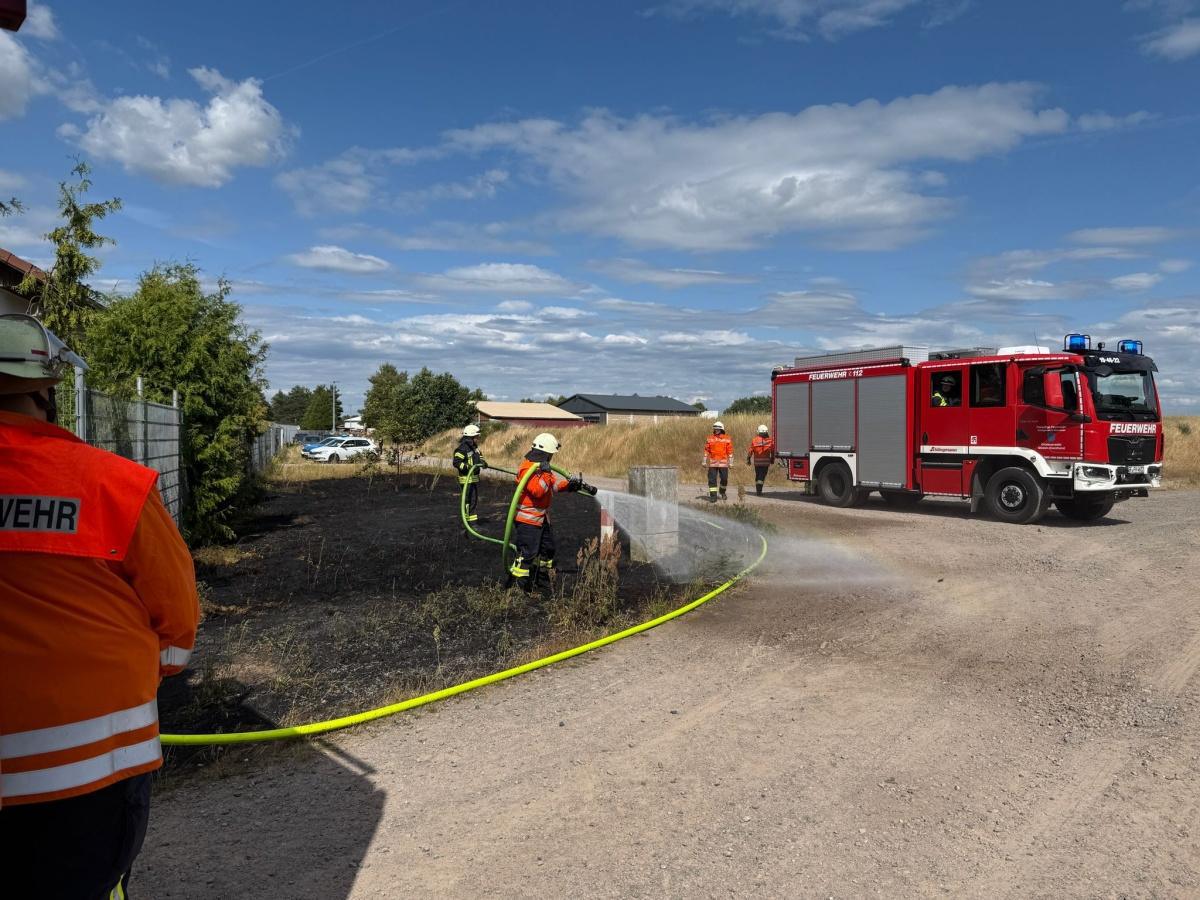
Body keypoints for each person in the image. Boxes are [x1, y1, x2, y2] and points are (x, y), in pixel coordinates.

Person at [0, 314, 201, 899]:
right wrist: (146, 674)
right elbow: (177, 617)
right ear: (45, 389)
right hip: (90, 775)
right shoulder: (112, 485)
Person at [508, 432, 595, 592]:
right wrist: (546, 473)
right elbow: (538, 491)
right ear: (546, 454)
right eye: (551, 455)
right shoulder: (527, 468)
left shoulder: (542, 468)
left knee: (548, 549)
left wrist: (570, 486)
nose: (552, 458)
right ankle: (517, 588)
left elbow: (552, 485)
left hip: (541, 519)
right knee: (527, 553)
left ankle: (540, 580)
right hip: (527, 521)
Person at [453, 423, 487, 524]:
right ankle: (466, 519)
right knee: (466, 500)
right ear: (471, 437)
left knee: (472, 499)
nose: (478, 438)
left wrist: (483, 463)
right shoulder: (462, 449)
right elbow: (456, 462)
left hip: (473, 478)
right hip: (466, 478)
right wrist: (468, 467)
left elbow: (479, 456)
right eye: (477, 437)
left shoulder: (474, 447)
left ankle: (469, 518)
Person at [704, 420, 734, 502]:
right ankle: (713, 496)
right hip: (713, 463)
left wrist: (731, 462)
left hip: (723, 463)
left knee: (724, 479)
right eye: (715, 429)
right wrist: (704, 460)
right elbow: (706, 450)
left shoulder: (727, 439)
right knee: (712, 479)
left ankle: (722, 492)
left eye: (718, 429)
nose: (716, 430)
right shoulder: (710, 438)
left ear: (722, 429)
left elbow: (730, 451)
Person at [746, 423, 775, 496]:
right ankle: (759, 491)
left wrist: (748, 459)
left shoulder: (755, 440)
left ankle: (758, 490)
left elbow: (750, 451)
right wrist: (772, 459)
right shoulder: (770, 440)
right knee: (762, 476)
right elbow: (773, 451)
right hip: (765, 463)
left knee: (758, 475)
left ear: (758, 431)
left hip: (757, 463)